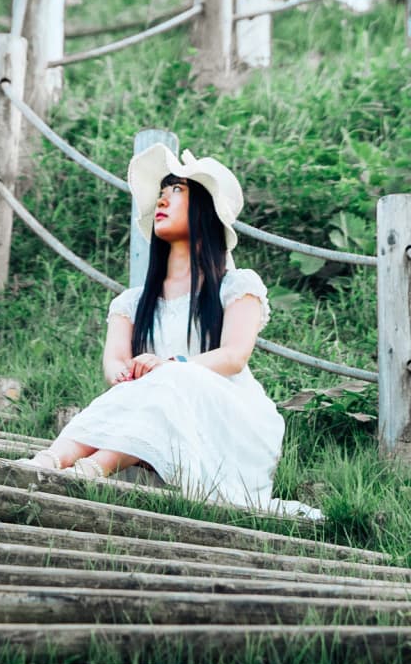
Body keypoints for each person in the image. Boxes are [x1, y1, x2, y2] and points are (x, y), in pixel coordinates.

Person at [19, 149, 286, 509]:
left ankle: (93, 469)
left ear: (205, 209)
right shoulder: (132, 302)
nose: (162, 197)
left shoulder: (237, 286)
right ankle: (49, 461)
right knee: (140, 388)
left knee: (174, 379)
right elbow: (114, 362)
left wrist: (170, 365)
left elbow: (234, 357)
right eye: (162, 190)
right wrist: (128, 372)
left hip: (231, 421)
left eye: (177, 190)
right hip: (152, 408)